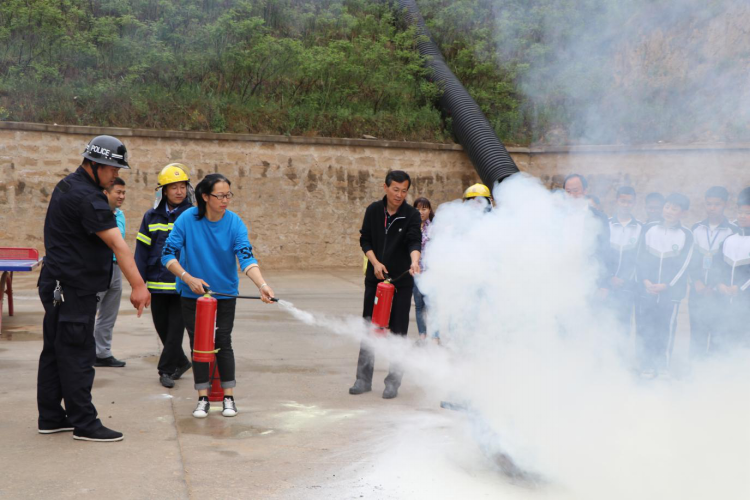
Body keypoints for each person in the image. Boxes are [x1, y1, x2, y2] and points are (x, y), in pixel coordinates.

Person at [37, 135, 150, 442]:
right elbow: (118, 245)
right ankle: (85, 423)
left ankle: (50, 416)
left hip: (57, 284)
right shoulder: (89, 198)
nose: (116, 175)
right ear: (95, 165)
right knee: (76, 354)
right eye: (113, 169)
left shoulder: (68, 185)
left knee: (55, 351)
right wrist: (138, 285)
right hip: (73, 289)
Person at [161, 173, 275, 418]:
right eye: (220, 195)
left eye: (228, 195)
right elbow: (167, 255)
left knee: (223, 342)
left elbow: (246, 257)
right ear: (205, 197)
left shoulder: (235, 223)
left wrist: (261, 284)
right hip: (192, 295)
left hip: (224, 294)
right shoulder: (186, 220)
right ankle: (202, 398)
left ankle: (228, 397)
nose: (226, 200)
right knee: (199, 345)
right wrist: (187, 277)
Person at [350, 170, 421, 399]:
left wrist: (415, 262)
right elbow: (365, 239)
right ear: (386, 187)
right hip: (375, 280)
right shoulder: (373, 211)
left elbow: (414, 241)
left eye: (404, 191)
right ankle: (363, 379)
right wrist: (375, 263)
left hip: (402, 281)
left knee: (398, 331)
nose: (400, 195)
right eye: (395, 189)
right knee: (370, 327)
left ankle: (393, 383)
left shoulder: (411, 215)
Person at [135, 163, 195, 388]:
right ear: (163, 191)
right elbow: (141, 252)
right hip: (156, 284)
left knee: (175, 331)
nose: (179, 191)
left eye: (182, 187)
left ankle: (166, 370)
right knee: (162, 327)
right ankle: (180, 361)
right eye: (173, 187)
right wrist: (138, 282)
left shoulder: (192, 216)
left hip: (182, 284)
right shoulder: (150, 217)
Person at [635, 193, 693, 378]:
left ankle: (663, 366)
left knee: (666, 328)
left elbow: (685, 265)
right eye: (667, 206)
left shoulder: (686, 234)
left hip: (670, 293)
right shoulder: (649, 228)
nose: (669, 211)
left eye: (674, 209)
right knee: (646, 326)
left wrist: (667, 285)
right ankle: (646, 364)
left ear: (682, 213)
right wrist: (645, 280)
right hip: (647, 289)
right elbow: (639, 256)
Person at [688, 186, 736, 360]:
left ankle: (714, 374)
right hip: (698, 290)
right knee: (697, 332)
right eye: (709, 204)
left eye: (717, 204)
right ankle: (695, 372)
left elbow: (729, 264)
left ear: (725, 205)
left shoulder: (733, 230)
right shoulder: (696, 228)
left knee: (718, 333)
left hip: (720, 292)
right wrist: (696, 281)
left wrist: (716, 284)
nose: (712, 208)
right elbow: (690, 259)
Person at [92, 177, 128, 368]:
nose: (121, 196)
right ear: (106, 192)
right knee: (90, 313)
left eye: (124, 193)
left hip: (115, 269)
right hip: (98, 268)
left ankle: (102, 353)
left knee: (109, 315)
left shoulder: (120, 215)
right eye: (118, 192)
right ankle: (84, 352)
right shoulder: (96, 214)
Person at [563, 174, 613, 295]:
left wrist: (603, 284)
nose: (571, 195)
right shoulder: (558, 214)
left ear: (585, 191)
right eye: (568, 191)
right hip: (562, 277)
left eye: (576, 191)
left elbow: (604, 251)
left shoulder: (599, 217)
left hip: (589, 278)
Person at [716, 187, 750, 352]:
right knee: (725, 338)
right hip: (725, 299)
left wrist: (741, 288)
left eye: (747, 213)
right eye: (740, 212)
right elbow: (718, 266)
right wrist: (720, 284)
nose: (742, 216)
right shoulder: (729, 239)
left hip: (745, 301)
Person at [608, 186, 643, 330]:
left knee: (623, 325)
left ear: (634, 203)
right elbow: (602, 254)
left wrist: (625, 279)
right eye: (622, 201)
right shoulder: (606, 224)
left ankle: (621, 354)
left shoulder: (641, 228)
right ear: (617, 201)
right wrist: (609, 277)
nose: (625, 205)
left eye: (629, 202)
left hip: (628, 285)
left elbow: (640, 259)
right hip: (607, 284)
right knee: (604, 322)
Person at [412, 197, 439, 345]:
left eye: (424, 209)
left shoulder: (434, 227)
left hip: (431, 273)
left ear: (429, 210)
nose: (421, 212)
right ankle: (422, 336)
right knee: (419, 306)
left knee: (432, 305)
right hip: (416, 273)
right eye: (418, 209)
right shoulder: (411, 227)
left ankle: (435, 336)